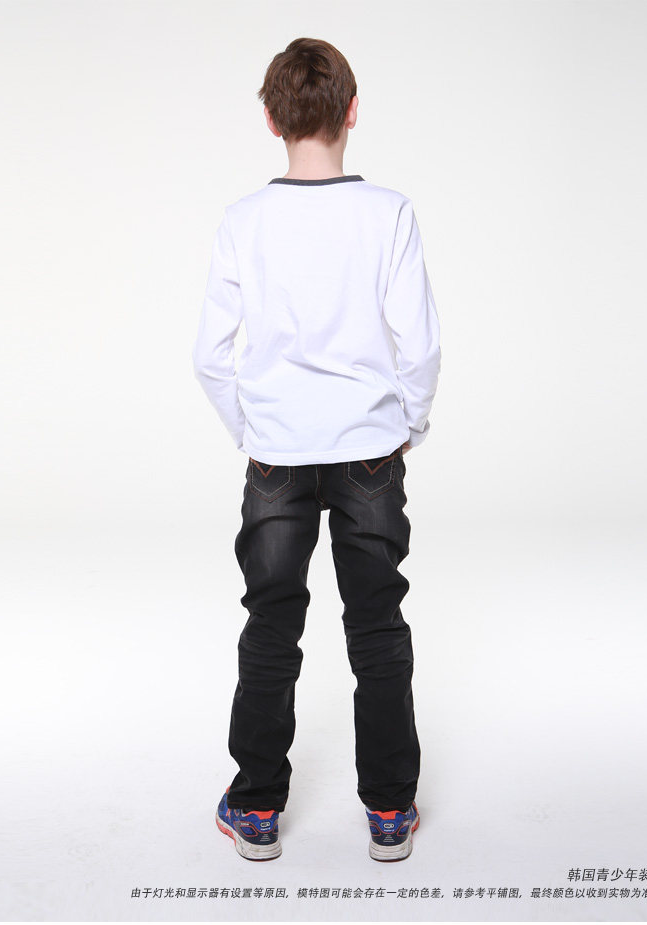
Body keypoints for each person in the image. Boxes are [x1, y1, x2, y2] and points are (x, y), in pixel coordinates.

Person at [191, 37, 441, 862]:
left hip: (277, 455)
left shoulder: (243, 221)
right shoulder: (389, 213)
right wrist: (410, 422)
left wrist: (250, 428)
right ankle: (391, 809)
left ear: (270, 119)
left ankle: (257, 807)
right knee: (377, 625)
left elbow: (209, 356)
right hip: (370, 448)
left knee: (271, 623)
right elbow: (419, 345)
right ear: (353, 110)